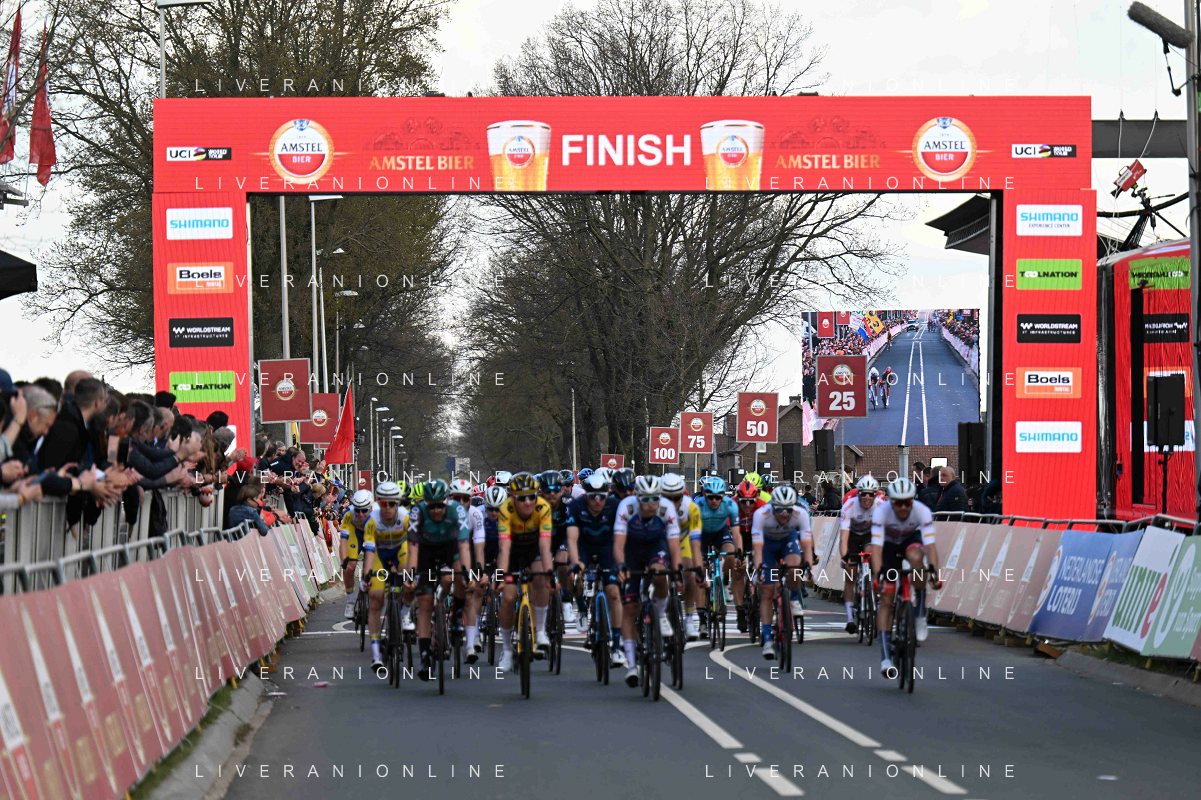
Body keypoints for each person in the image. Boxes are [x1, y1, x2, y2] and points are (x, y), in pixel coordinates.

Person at [614, 475, 681, 687]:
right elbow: (618, 543)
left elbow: (674, 545)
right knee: (630, 608)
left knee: (660, 573)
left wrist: (677, 570)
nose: (651, 504)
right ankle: (632, 665)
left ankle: (660, 614)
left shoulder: (667, 508)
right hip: (632, 550)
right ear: (637, 497)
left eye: (655, 499)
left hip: (655, 546)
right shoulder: (626, 507)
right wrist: (621, 565)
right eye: (646, 499)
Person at [870, 478, 942, 675]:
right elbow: (876, 549)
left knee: (918, 560)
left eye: (907, 503)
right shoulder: (881, 512)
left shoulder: (921, 511)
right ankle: (886, 658)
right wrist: (877, 576)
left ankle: (919, 614)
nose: (903, 507)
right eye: (898, 503)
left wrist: (934, 573)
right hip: (888, 546)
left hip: (911, 540)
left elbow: (930, 547)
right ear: (891, 502)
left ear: (913, 501)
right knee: (886, 599)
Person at [403, 479, 472, 681]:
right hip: (425, 551)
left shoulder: (457, 510)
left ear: (447, 502)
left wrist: (467, 573)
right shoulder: (417, 512)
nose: (435, 511)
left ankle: (457, 614)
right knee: (424, 604)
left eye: (440, 506)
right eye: (431, 507)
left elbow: (464, 545)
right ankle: (425, 656)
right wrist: (410, 575)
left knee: (460, 576)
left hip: (451, 547)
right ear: (425, 504)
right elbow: (412, 549)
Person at [495, 472, 555, 672]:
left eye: (531, 496)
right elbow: (504, 549)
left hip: (534, 549)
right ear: (512, 497)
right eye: (522, 498)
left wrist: (550, 574)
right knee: (508, 598)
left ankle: (540, 631)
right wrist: (499, 577)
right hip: (512, 551)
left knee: (541, 578)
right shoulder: (506, 509)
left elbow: (545, 547)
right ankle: (507, 649)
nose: (528, 502)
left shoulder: (543, 507)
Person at [565, 472, 626, 666]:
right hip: (584, 547)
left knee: (614, 593)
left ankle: (617, 646)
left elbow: (621, 538)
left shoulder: (615, 506)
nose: (597, 501)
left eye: (602, 496)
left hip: (608, 549)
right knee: (573, 575)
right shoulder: (576, 506)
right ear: (586, 495)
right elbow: (572, 539)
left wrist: (621, 564)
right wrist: (576, 564)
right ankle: (582, 609)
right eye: (593, 497)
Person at [751, 485, 813, 659]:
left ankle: (793, 599)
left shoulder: (800, 514)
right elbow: (757, 549)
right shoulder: (761, 515)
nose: (784, 514)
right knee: (767, 592)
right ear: (773, 507)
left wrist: (808, 567)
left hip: (787, 541)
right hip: (767, 546)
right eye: (780, 510)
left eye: (788, 510)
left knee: (794, 568)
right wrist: (758, 570)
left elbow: (807, 544)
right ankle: (767, 639)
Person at [360, 482, 412, 673]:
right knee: (376, 599)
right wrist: (367, 575)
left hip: (400, 551)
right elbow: (369, 552)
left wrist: (412, 573)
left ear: (398, 503)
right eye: (384, 504)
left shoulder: (405, 517)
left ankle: (405, 613)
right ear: (378, 503)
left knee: (410, 580)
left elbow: (413, 547)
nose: (388, 508)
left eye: (392, 504)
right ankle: (376, 655)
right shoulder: (372, 520)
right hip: (379, 555)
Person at [695, 476, 741, 639]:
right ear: (704, 495)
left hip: (720, 533)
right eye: (710, 497)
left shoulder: (730, 505)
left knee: (730, 554)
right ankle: (702, 620)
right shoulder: (697, 506)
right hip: (701, 535)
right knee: (699, 576)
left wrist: (739, 553)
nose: (714, 501)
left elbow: (736, 534)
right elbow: (692, 536)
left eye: (717, 497)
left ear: (723, 496)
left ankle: (725, 583)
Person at [839, 476, 883, 633]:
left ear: (875, 495)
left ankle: (876, 594)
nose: (867, 498)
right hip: (852, 536)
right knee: (850, 575)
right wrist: (844, 557)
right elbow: (843, 538)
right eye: (863, 494)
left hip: (869, 536)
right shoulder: (849, 506)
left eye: (871, 494)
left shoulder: (880, 505)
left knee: (873, 556)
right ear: (858, 494)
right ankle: (850, 618)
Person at [661, 472, 702, 640]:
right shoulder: (653, 506)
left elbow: (695, 543)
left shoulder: (691, 508)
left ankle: (689, 619)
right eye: (667, 498)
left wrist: (698, 569)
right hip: (660, 541)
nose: (672, 503)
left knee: (689, 572)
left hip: (682, 541)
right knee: (658, 574)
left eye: (676, 498)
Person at [340, 489, 377, 619]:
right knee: (349, 567)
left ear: (371, 508)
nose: (360, 514)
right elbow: (343, 540)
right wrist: (344, 560)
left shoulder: (379, 514)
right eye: (357, 510)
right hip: (355, 534)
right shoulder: (349, 514)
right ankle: (350, 602)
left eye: (364, 510)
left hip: (373, 533)